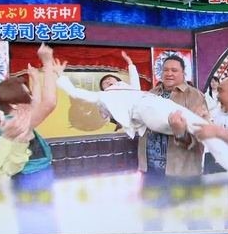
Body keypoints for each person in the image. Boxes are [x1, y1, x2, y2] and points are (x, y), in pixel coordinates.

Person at [56, 53, 207, 178]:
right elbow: (131, 115)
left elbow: (202, 135)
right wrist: (119, 118)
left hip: (179, 171)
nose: (169, 73)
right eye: (166, 70)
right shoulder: (151, 93)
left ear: (183, 73)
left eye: (174, 70)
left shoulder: (194, 96)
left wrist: (180, 133)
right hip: (149, 168)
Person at [0, 43, 61, 176]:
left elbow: (36, 103)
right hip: (31, 176)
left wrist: (35, 79)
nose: (31, 98)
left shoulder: (12, 119)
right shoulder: (16, 123)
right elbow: (48, 103)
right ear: (14, 104)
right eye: (27, 95)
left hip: (33, 173)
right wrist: (47, 64)